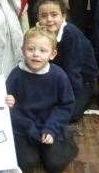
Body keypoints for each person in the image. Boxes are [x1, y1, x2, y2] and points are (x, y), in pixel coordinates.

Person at [6, 26, 78, 173]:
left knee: (54, 164)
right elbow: (8, 108)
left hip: (49, 123)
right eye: (31, 49)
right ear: (22, 50)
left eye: (42, 51)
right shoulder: (15, 75)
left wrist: (51, 129)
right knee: (26, 163)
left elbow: (65, 105)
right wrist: (9, 103)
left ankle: (66, 137)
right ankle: (35, 150)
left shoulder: (58, 75)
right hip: (24, 127)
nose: (36, 54)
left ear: (52, 54)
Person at [36, 0, 98, 122]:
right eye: (43, 16)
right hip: (58, 76)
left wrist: (67, 99)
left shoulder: (70, 33)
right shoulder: (39, 33)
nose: (49, 19)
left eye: (54, 15)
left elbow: (73, 71)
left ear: (63, 16)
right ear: (38, 18)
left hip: (81, 80)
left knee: (68, 115)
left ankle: (89, 95)